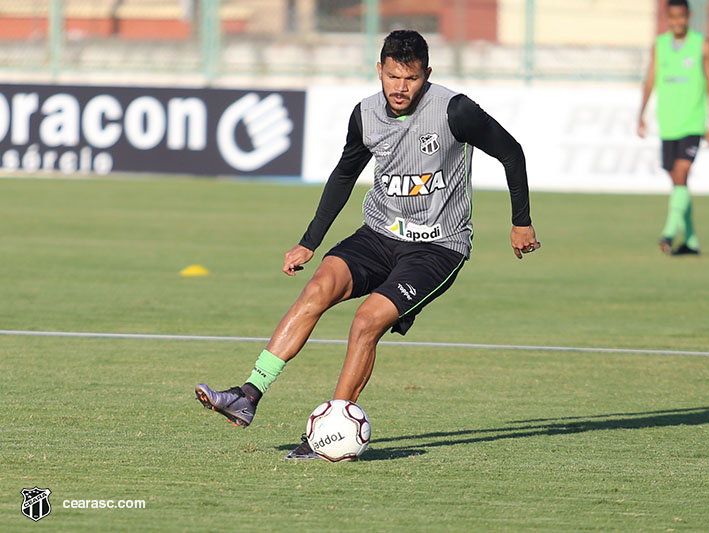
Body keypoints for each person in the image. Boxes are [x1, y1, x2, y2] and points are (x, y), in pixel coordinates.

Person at [195, 30, 541, 459]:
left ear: (427, 74)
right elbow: (344, 174)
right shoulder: (365, 115)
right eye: (393, 76)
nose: (401, 87)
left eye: (411, 78)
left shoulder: (455, 111)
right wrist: (309, 242)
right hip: (378, 236)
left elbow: (512, 152)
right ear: (379, 70)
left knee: (365, 322)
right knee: (317, 288)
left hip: (438, 247)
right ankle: (249, 393)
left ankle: (328, 432)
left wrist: (521, 222)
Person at [638, 0, 709, 255]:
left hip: (693, 122)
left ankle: (669, 232)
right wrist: (641, 113)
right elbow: (650, 79)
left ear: (689, 16)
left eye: (681, 17)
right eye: (672, 17)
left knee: (682, 173)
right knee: (678, 182)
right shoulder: (659, 45)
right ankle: (691, 241)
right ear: (667, 18)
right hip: (668, 124)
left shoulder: (702, 45)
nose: (677, 22)